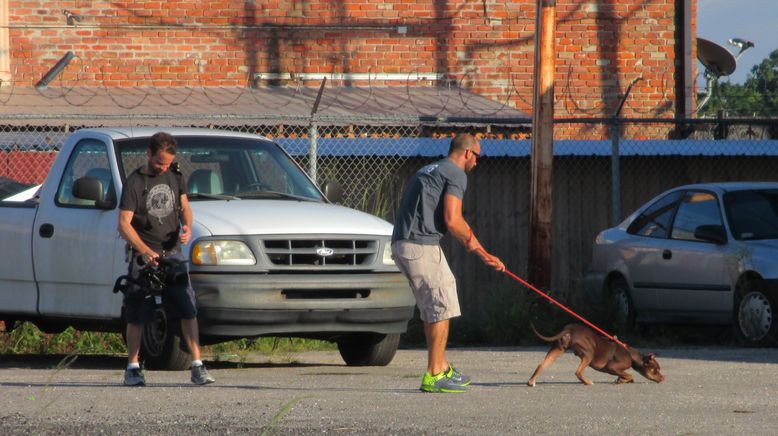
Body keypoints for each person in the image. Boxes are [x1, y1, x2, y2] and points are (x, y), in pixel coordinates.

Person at [391, 133, 504, 393]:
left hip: (408, 242)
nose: (477, 162)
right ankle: (434, 374)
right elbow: (453, 220)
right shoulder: (455, 173)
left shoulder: (430, 168)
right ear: (467, 153)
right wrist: (481, 250)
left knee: (441, 299)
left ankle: (442, 366)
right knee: (441, 304)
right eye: (477, 156)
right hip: (420, 245)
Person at [117, 132, 215, 386]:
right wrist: (144, 250)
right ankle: (133, 367)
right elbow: (123, 225)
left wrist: (187, 227)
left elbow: (185, 207)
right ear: (148, 155)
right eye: (160, 162)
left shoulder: (175, 176)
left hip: (172, 255)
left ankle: (197, 365)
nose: (163, 167)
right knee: (137, 312)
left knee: (187, 308)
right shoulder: (135, 183)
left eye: (168, 163)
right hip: (144, 257)